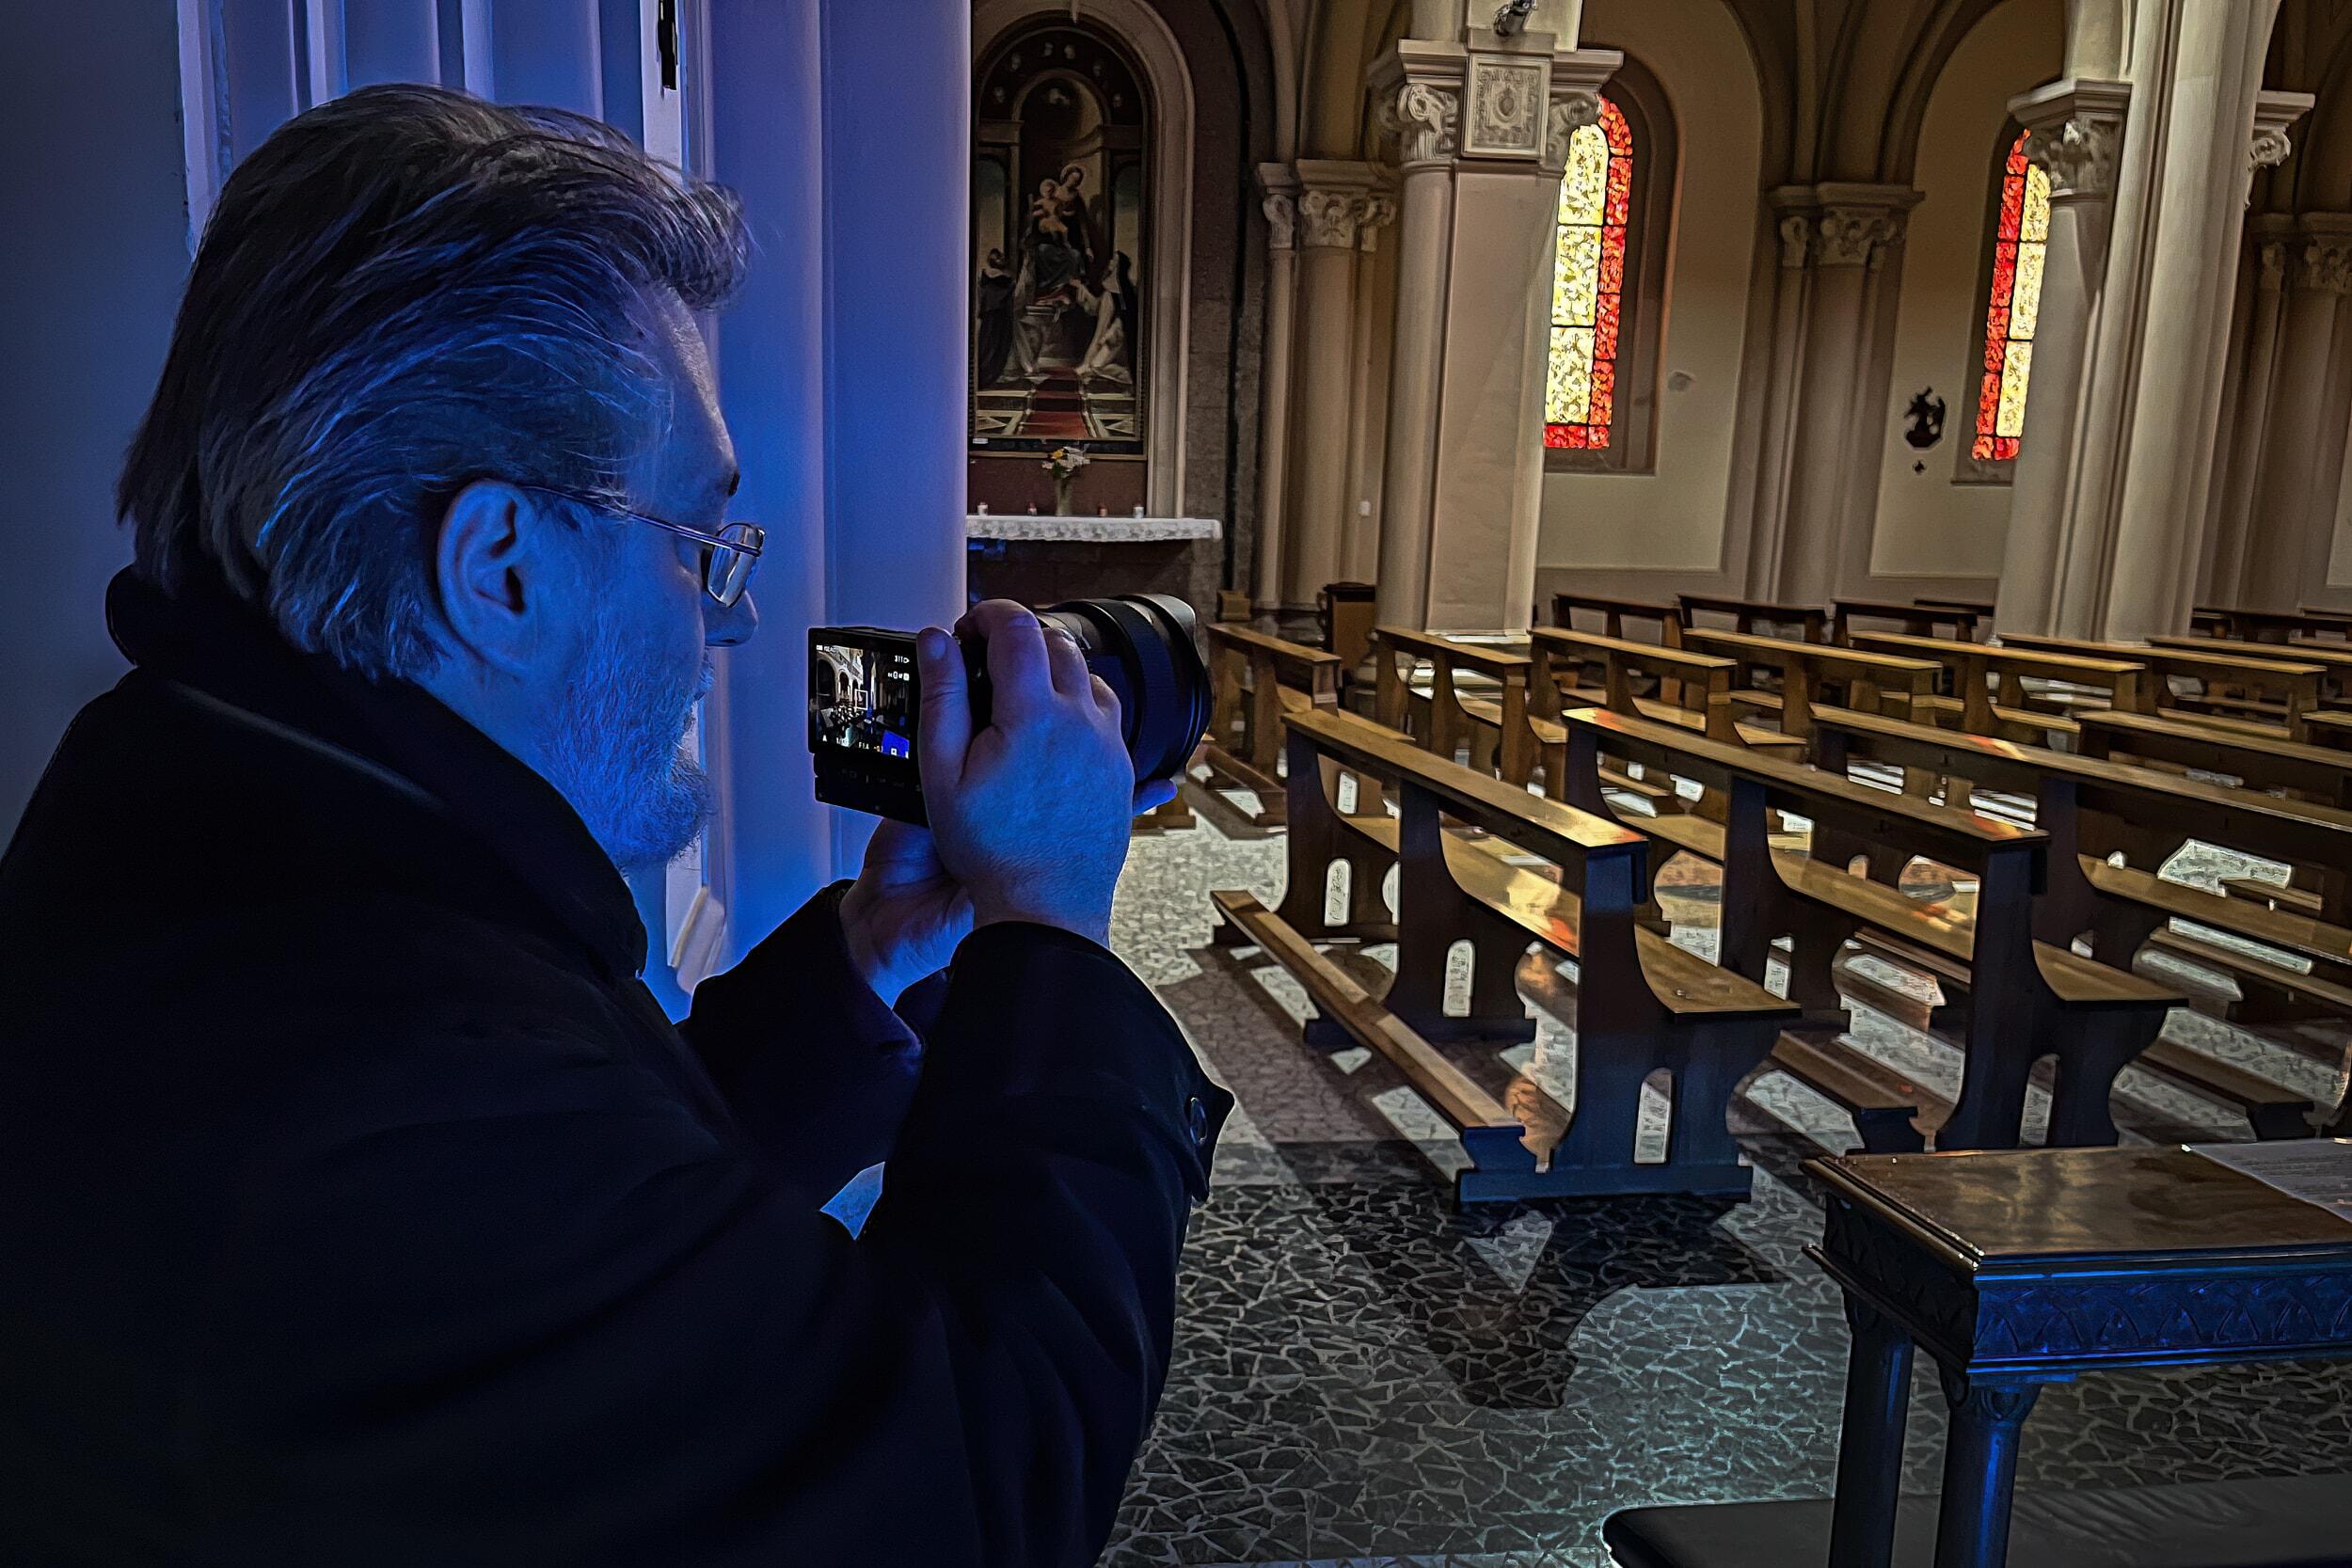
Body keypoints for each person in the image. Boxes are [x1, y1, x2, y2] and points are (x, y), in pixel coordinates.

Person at [0, 84, 1228, 1564]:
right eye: (697, 543)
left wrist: (862, 962)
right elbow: (974, 1489)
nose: (731, 620)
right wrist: (1054, 930)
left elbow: (598, 1225)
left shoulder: (216, 792)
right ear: (501, 568)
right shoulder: (385, 1079)